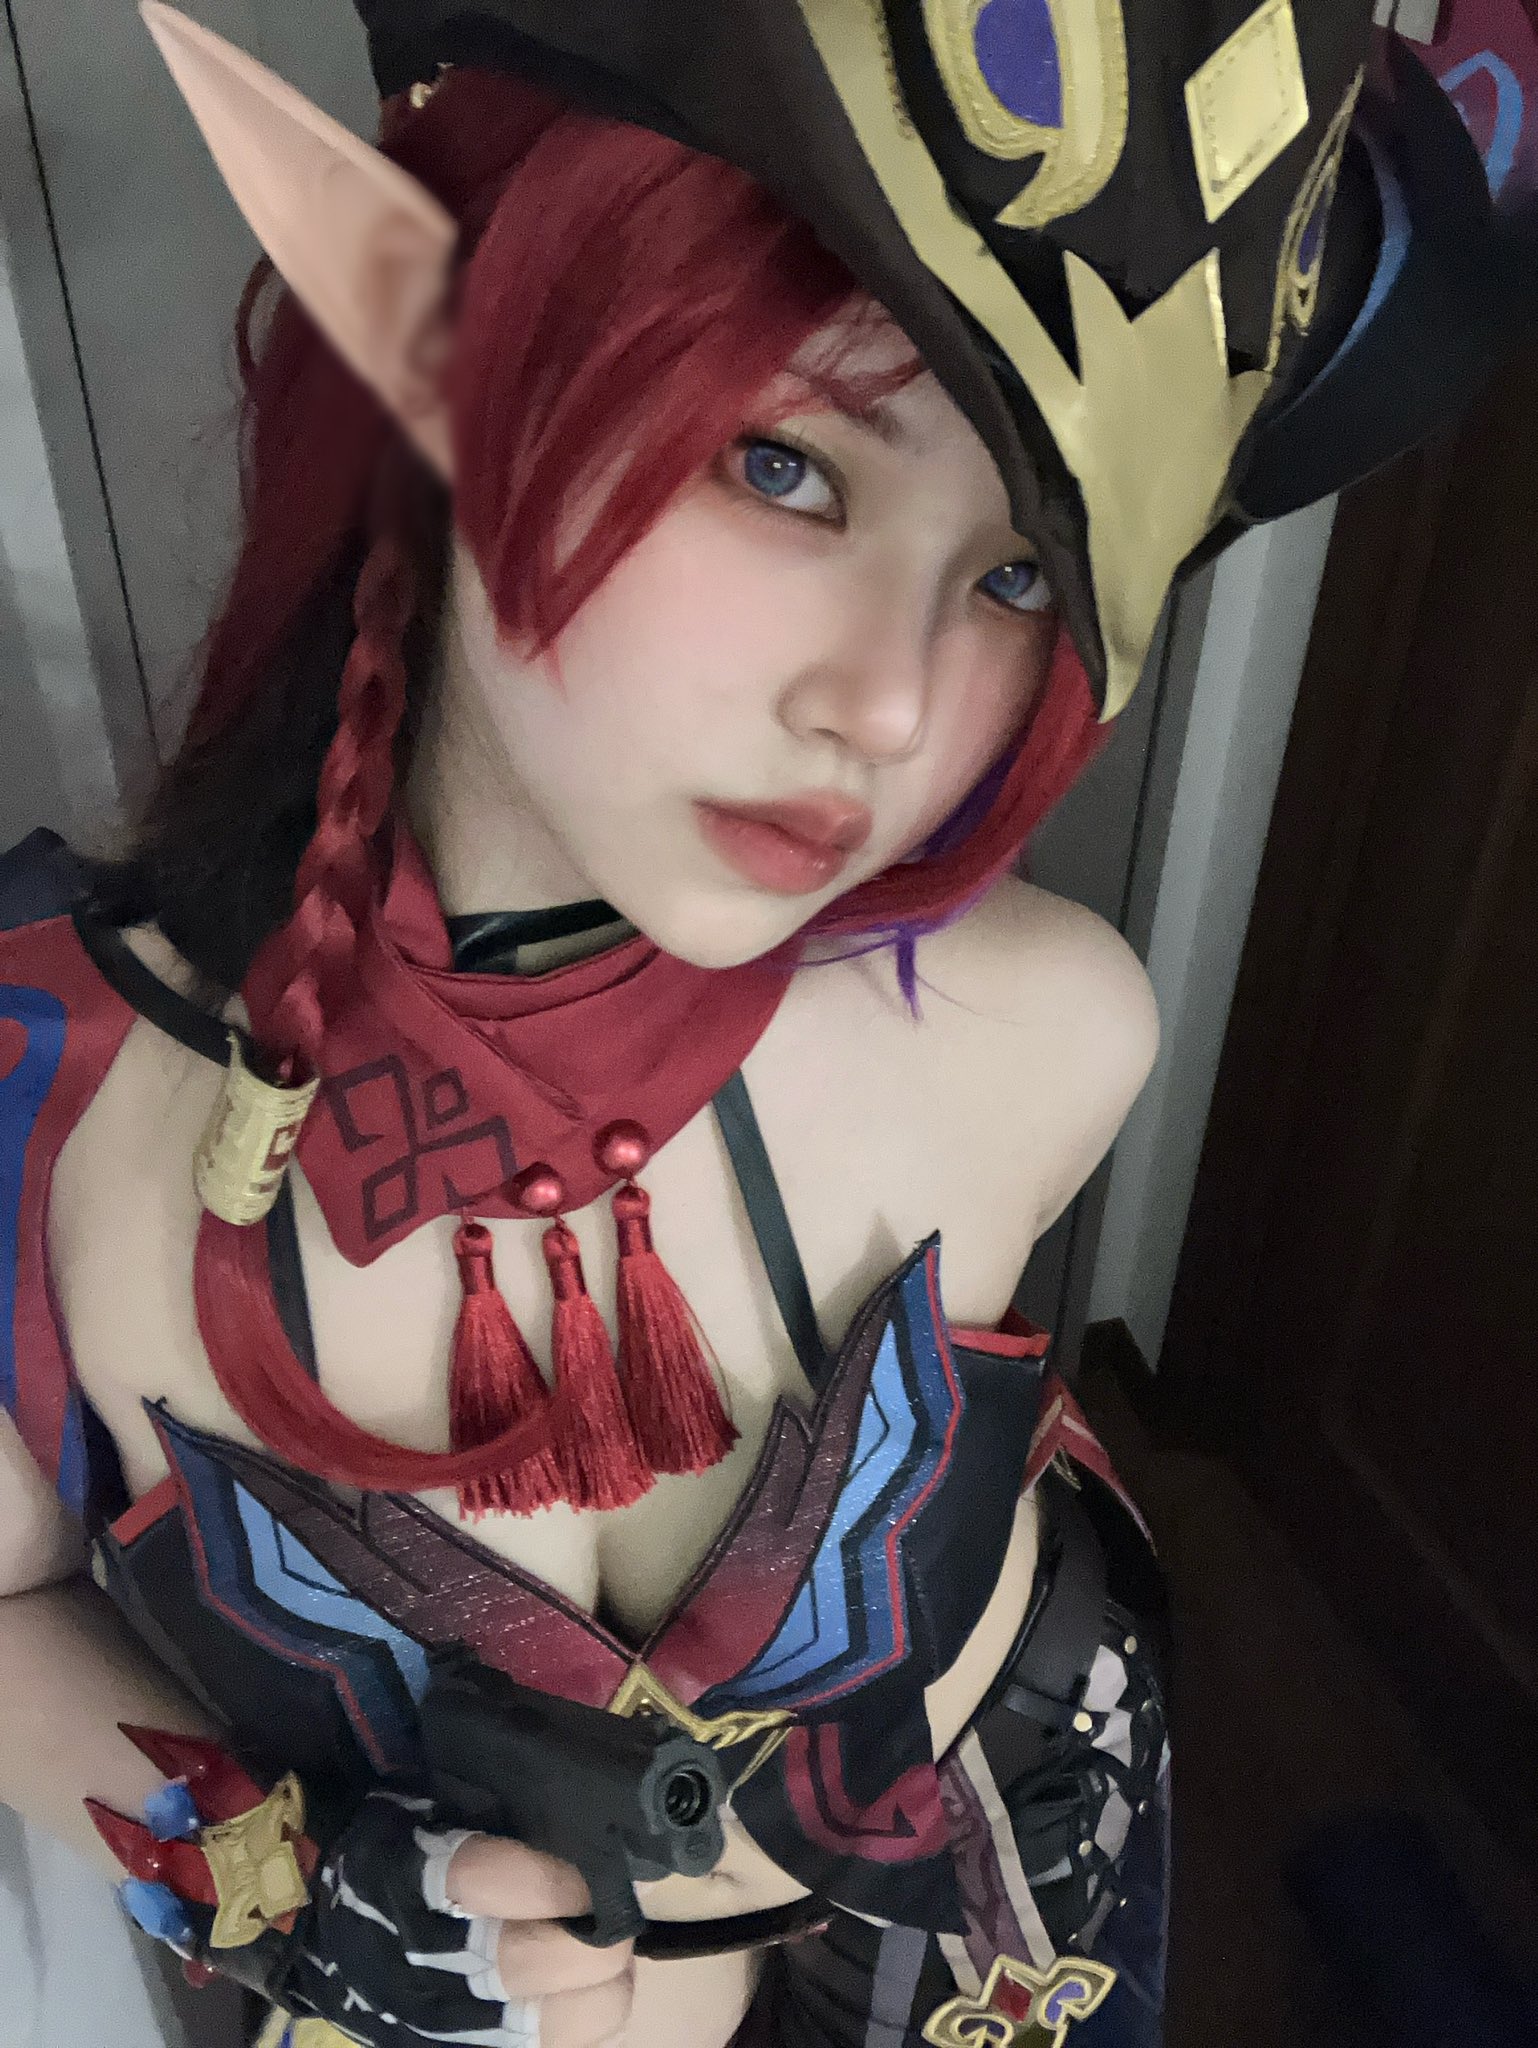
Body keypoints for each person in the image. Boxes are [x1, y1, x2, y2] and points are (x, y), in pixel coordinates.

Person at [0, 4, 1527, 2045]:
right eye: (786, 464)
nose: (890, 707)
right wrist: (291, 1895)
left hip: (997, 1936)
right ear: (442, 342)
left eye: (1014, 576)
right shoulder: (43, 1100)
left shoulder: (1048, 1031)